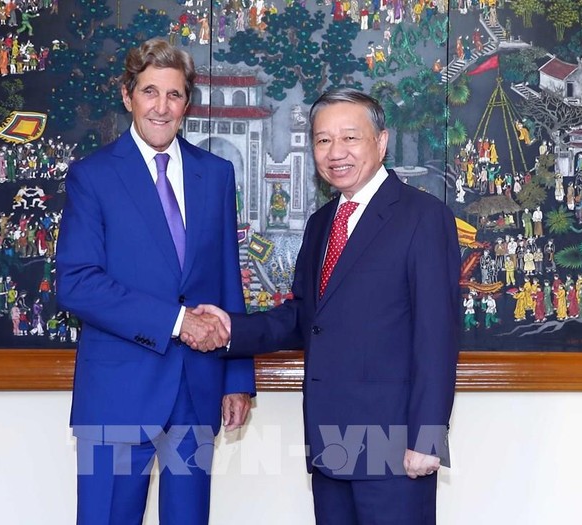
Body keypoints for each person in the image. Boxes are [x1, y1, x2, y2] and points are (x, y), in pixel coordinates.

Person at [185, 89, 460, 524]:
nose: (335, 152)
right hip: (330, 442)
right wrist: (233, 329)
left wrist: (427, 439)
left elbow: (437, 335)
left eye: (350, 138)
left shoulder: (423, 217)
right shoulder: (320, 224)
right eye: (323, 140)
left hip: (395, 444)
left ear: (381, 142)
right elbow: (304, 316)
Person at [55, 38, 255, 525]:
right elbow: (77, 283)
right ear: (128, 96)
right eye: (150, 92)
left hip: (197, 389)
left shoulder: (216, 174)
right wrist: (177, 321)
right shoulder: (92, 176)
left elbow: (227, 279)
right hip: (118, 394)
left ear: (187, 102)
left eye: (174, 94)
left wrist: (237, 379)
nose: (161, 107)